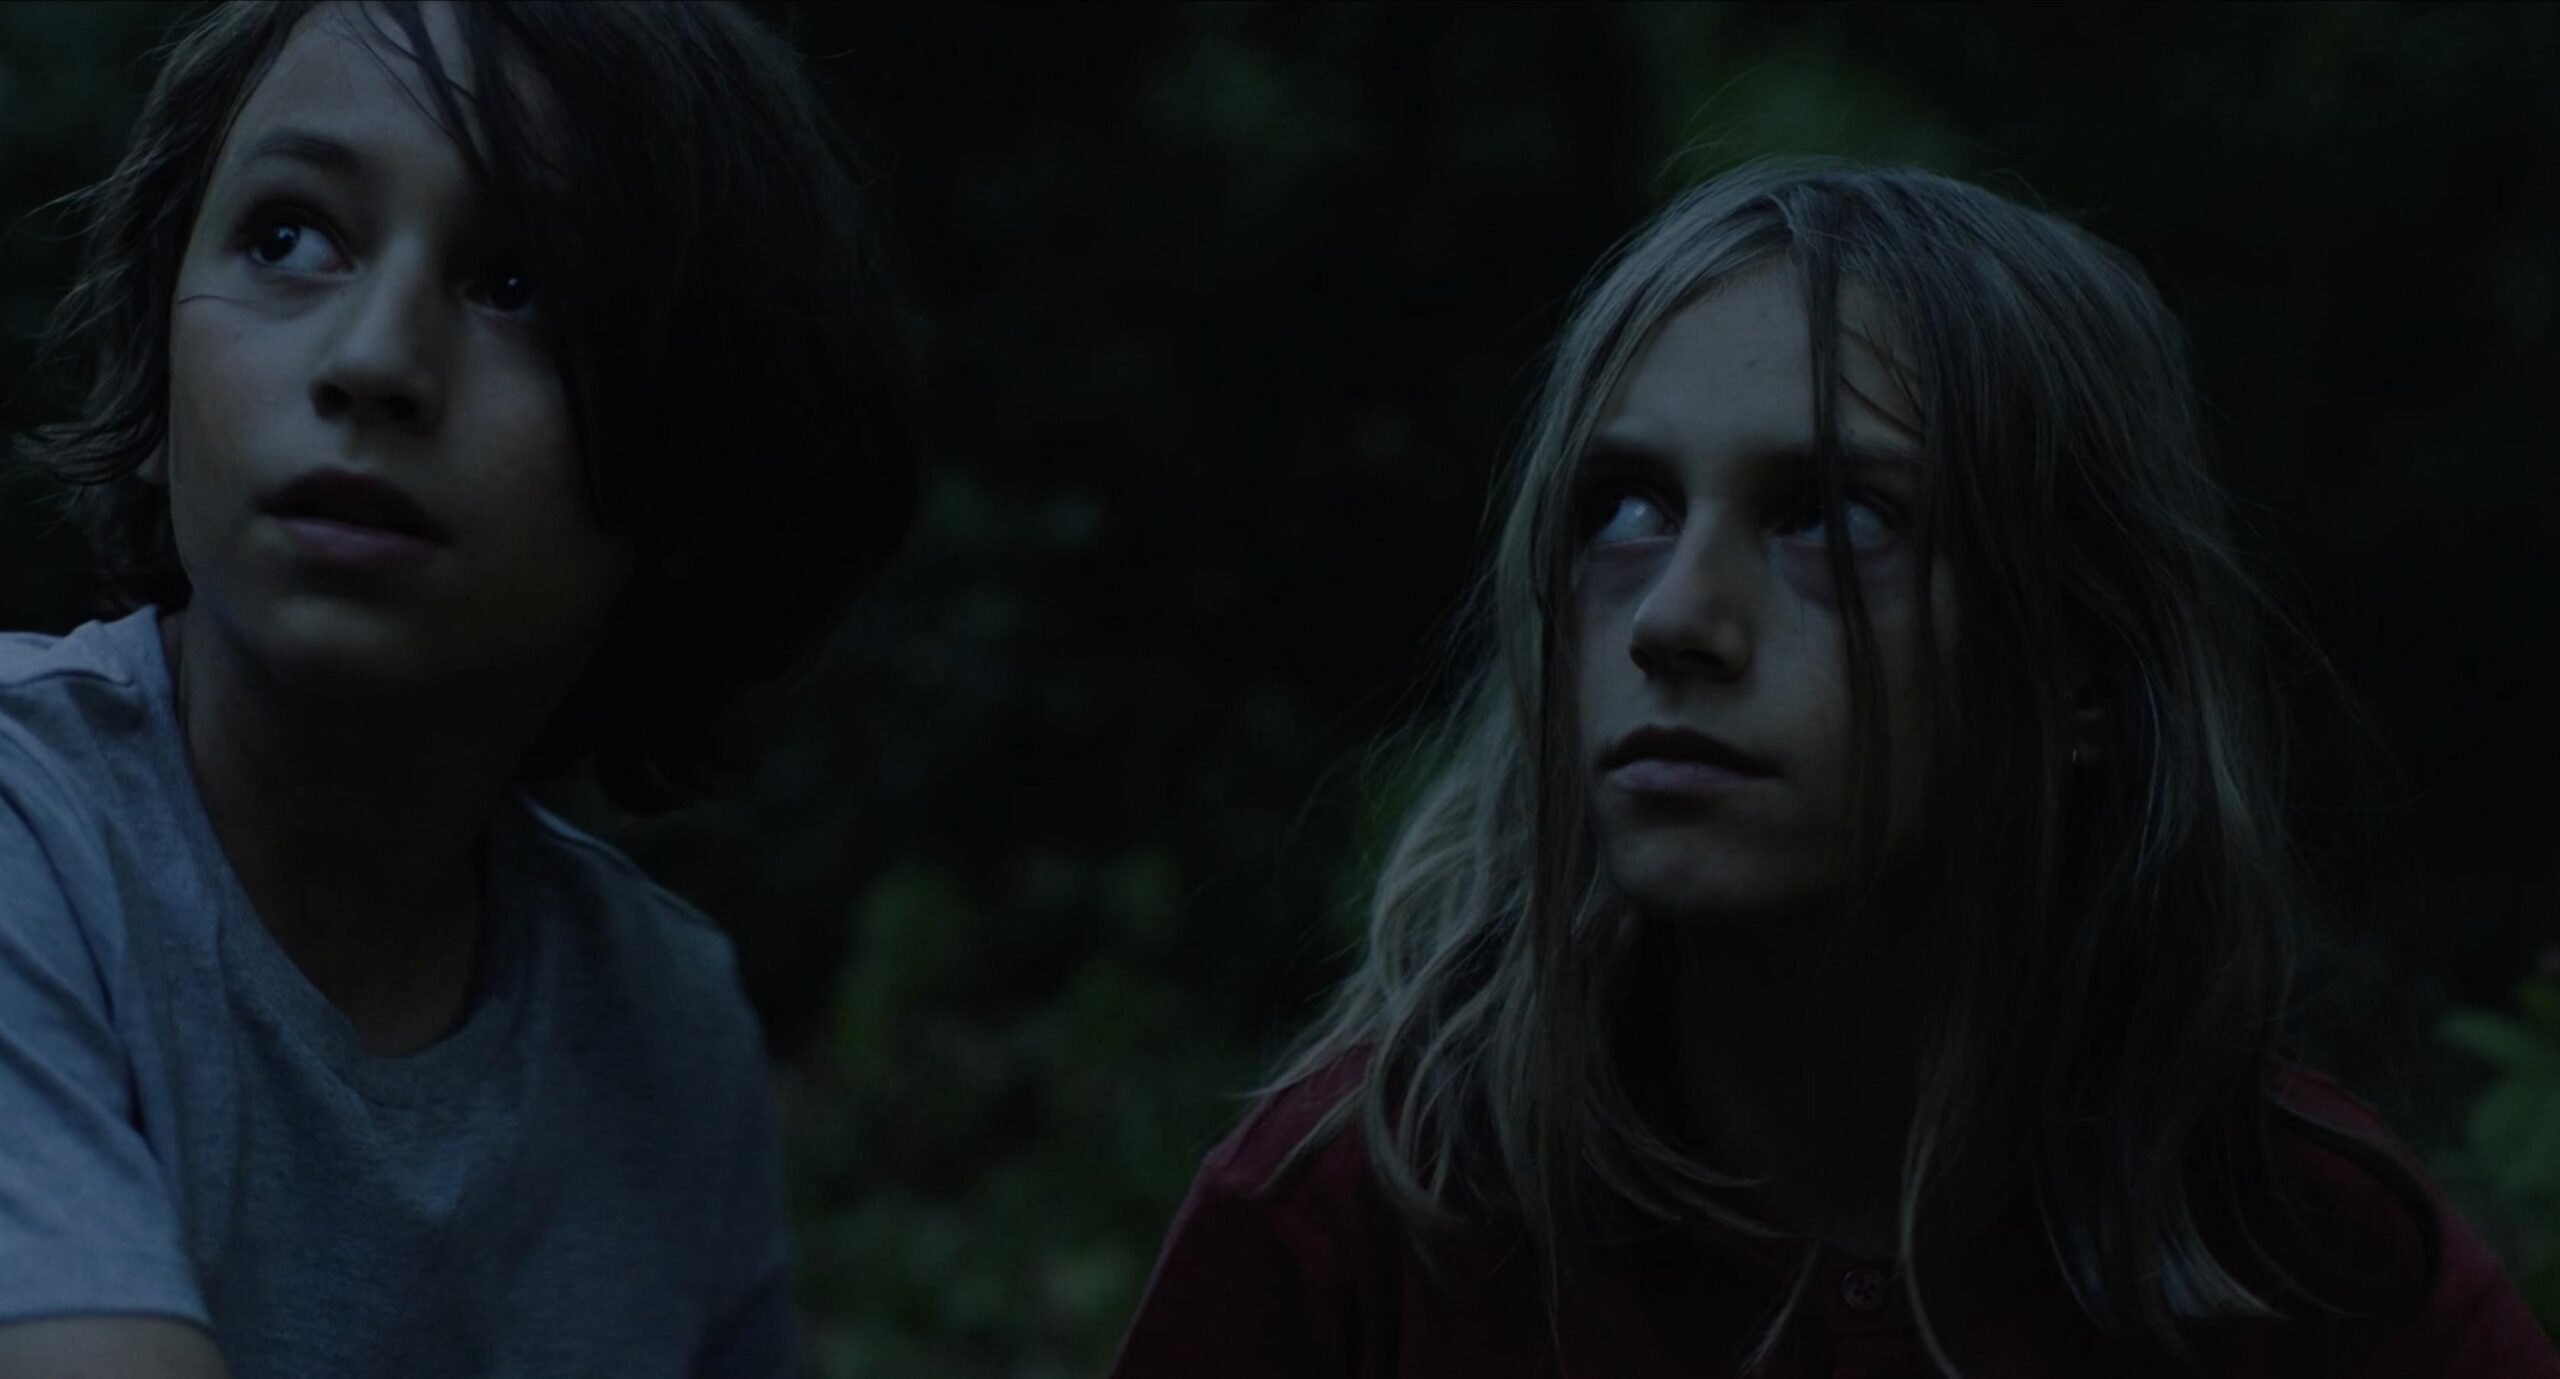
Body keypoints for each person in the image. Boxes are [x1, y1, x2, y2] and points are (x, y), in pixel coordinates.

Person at [1108, 160, 2559, 1377]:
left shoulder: (2308, 1259)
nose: (1674, 617)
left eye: (1833, 517)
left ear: (2081, 668)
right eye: (1624, 508)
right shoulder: (1363, 1225)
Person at [0, 1, 912, 1374]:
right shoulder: (31, 835)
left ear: (693, 469)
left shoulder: (665, 1035)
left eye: (523, 284)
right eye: (288, 236)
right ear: (159, 345)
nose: (375, 358)